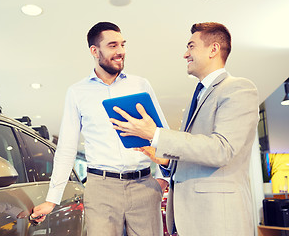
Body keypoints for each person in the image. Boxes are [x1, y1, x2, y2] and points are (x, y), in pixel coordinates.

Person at [109, 22, 259, 236]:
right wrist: (168, 162)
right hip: (191, 218)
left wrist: (156, 134)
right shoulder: (197, 96)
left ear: (213, 49)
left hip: (218, 220)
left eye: (191, 46)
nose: (185, 54)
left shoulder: (239, 88)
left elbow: (222, 150)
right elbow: (199, 155)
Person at [31, 22, 169, 236]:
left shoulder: (140, 85)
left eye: (123, 45)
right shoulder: (77, 92)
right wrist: (52, 199)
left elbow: (163, 135)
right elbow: (67, 147)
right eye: (113, 45)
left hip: (144, 186)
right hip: (101, 189)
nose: (121, 51)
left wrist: (163, 178)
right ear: (95, 51)